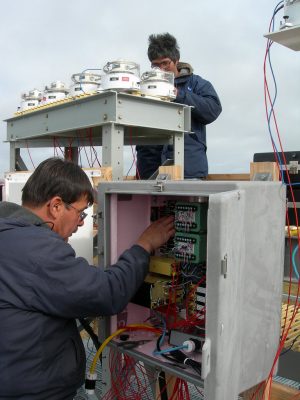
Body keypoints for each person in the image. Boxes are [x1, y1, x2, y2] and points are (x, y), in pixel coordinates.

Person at [0, 157, 175, 400]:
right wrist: (144, 245)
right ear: (56, 206)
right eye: (80, 213)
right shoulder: (37, 250)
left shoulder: (8, 233)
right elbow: (107, 293)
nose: (81, 223)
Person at [136, 32, 222, 179]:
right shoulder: (144, 87)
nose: (161, 69)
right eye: (155, 65)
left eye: (165, 63)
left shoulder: (197, 84)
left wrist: (178, 94)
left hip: (188, 172)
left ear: (176, 61)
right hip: (150, 173)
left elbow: (213, 109)